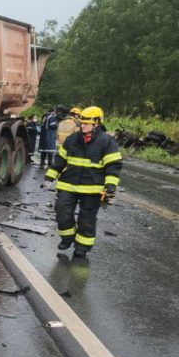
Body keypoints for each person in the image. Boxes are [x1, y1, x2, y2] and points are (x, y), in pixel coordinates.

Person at [44, 106, 122, 258]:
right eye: (82, 123)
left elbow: (113, 166)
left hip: (92, 189)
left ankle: (82, 247)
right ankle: (67, 237)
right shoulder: (73, 139)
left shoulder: (107, 142)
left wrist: (110, 187)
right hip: (68, 185)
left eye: (86, 123)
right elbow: (60, 159)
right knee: (62, 212)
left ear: (97, 123)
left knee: (87, 219)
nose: (82, 125)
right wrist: (50, 176)